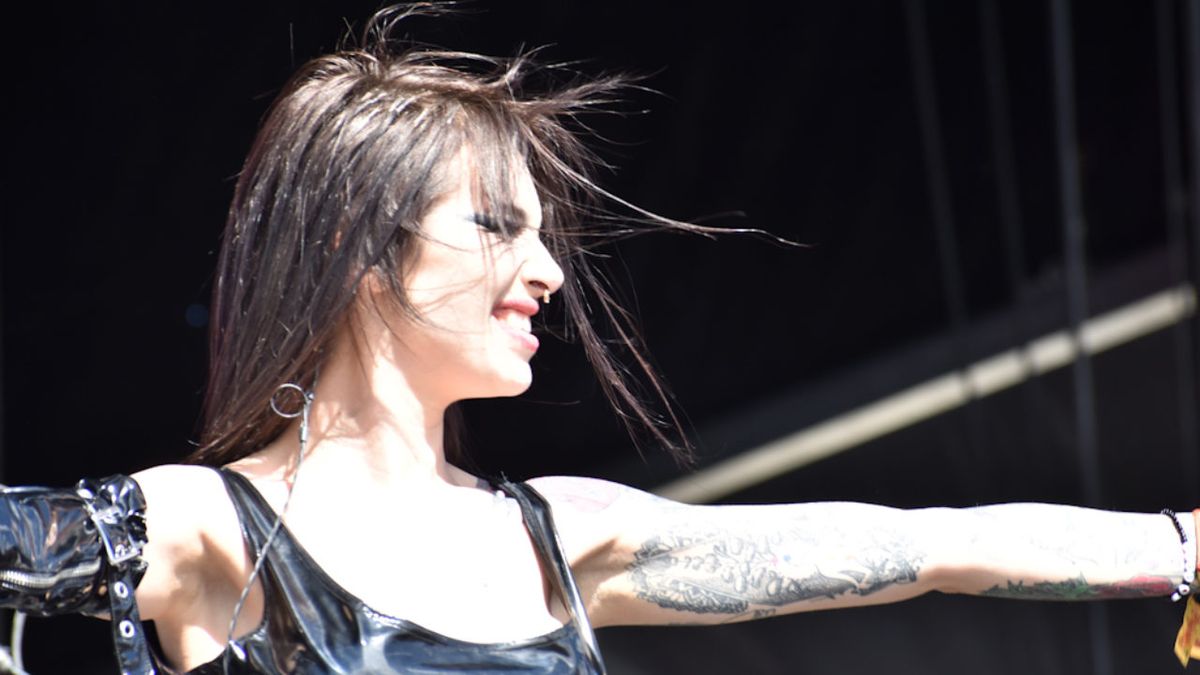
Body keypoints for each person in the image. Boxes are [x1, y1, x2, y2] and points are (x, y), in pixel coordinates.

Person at [1, 6, 1197, 674]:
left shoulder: (564, 536)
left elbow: (929, 546)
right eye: (496, 226)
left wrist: (1179, 544)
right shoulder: (206, 528)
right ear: (356, 250)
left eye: (544, 234)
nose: (548, 271)